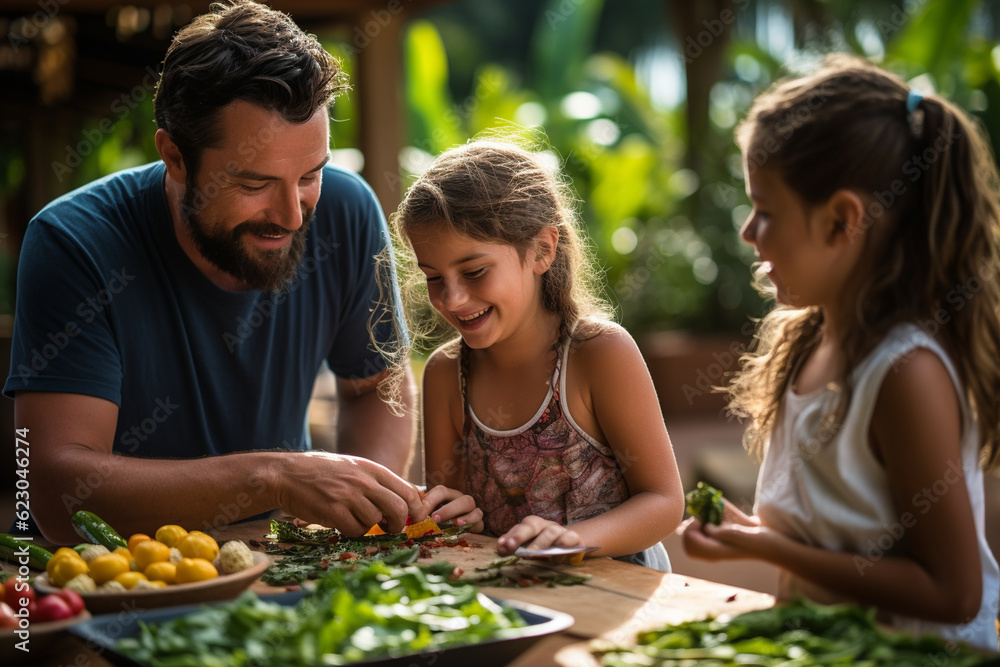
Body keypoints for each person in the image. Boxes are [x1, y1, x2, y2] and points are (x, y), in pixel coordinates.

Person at [5, 0, 426, 546]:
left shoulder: (347, 210)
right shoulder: (74, 242)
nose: (293, 215)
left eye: (310, 175)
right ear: (174, 157)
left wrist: (359, 516)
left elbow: (377, 387)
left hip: (289, 569)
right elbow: (59, 497)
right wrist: (274, 476)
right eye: (254, 185)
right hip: (130, 583)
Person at [681, 54, 1000, 650]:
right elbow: (832, 540)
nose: (748, 232)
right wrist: (744, 533)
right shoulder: (807, 344)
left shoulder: (905, 373)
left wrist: (770, 548)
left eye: (766, 211)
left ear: (842, 220)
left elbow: (956, 595)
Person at [383, 137, 684, 570]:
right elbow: (449, 525)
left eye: (474, 272)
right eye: (433, 278)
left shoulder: (598, 354)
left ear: (542, 249)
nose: (451, 298)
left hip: (617, 585)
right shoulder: (446, 374)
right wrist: (452, 515)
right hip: (509, 589)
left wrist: (572, 540)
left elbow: (663, 501)